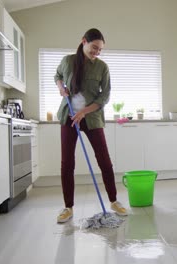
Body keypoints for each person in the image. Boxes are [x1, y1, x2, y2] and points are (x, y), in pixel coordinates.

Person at [54, 28, 127, 223]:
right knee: (67, 163)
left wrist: (84, 111)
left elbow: (105, 95)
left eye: (100, 50)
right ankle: (68, 207)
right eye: (94, 47)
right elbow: (58, 75)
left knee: (104, 159)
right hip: (68, 116)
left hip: (92, 117)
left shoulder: (102, 67)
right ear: (84, 41)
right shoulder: (67, 61)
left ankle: (114, 201)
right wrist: (61, 87)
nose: (97, 52)